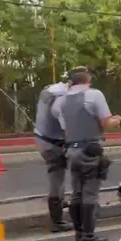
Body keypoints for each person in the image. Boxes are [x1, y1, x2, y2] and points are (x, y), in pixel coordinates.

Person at [55, 66, 121, 241]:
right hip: (90, 150)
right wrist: (116, 120)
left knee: (76, 194)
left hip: (72, 150)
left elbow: (65, 128)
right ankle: (89, 237)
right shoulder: (94, 95)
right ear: (88, 80)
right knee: (90, 194)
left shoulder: (62, 101)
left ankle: (79, 234)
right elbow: (105, 123)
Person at [34, 78, 73, 233]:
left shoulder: (50, 88)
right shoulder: (62, 100)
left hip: (42, 138)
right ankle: (57, 221)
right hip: (52, 144)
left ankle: (60, 201)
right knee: (57, 179)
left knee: (59, 174)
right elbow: (68, 128)